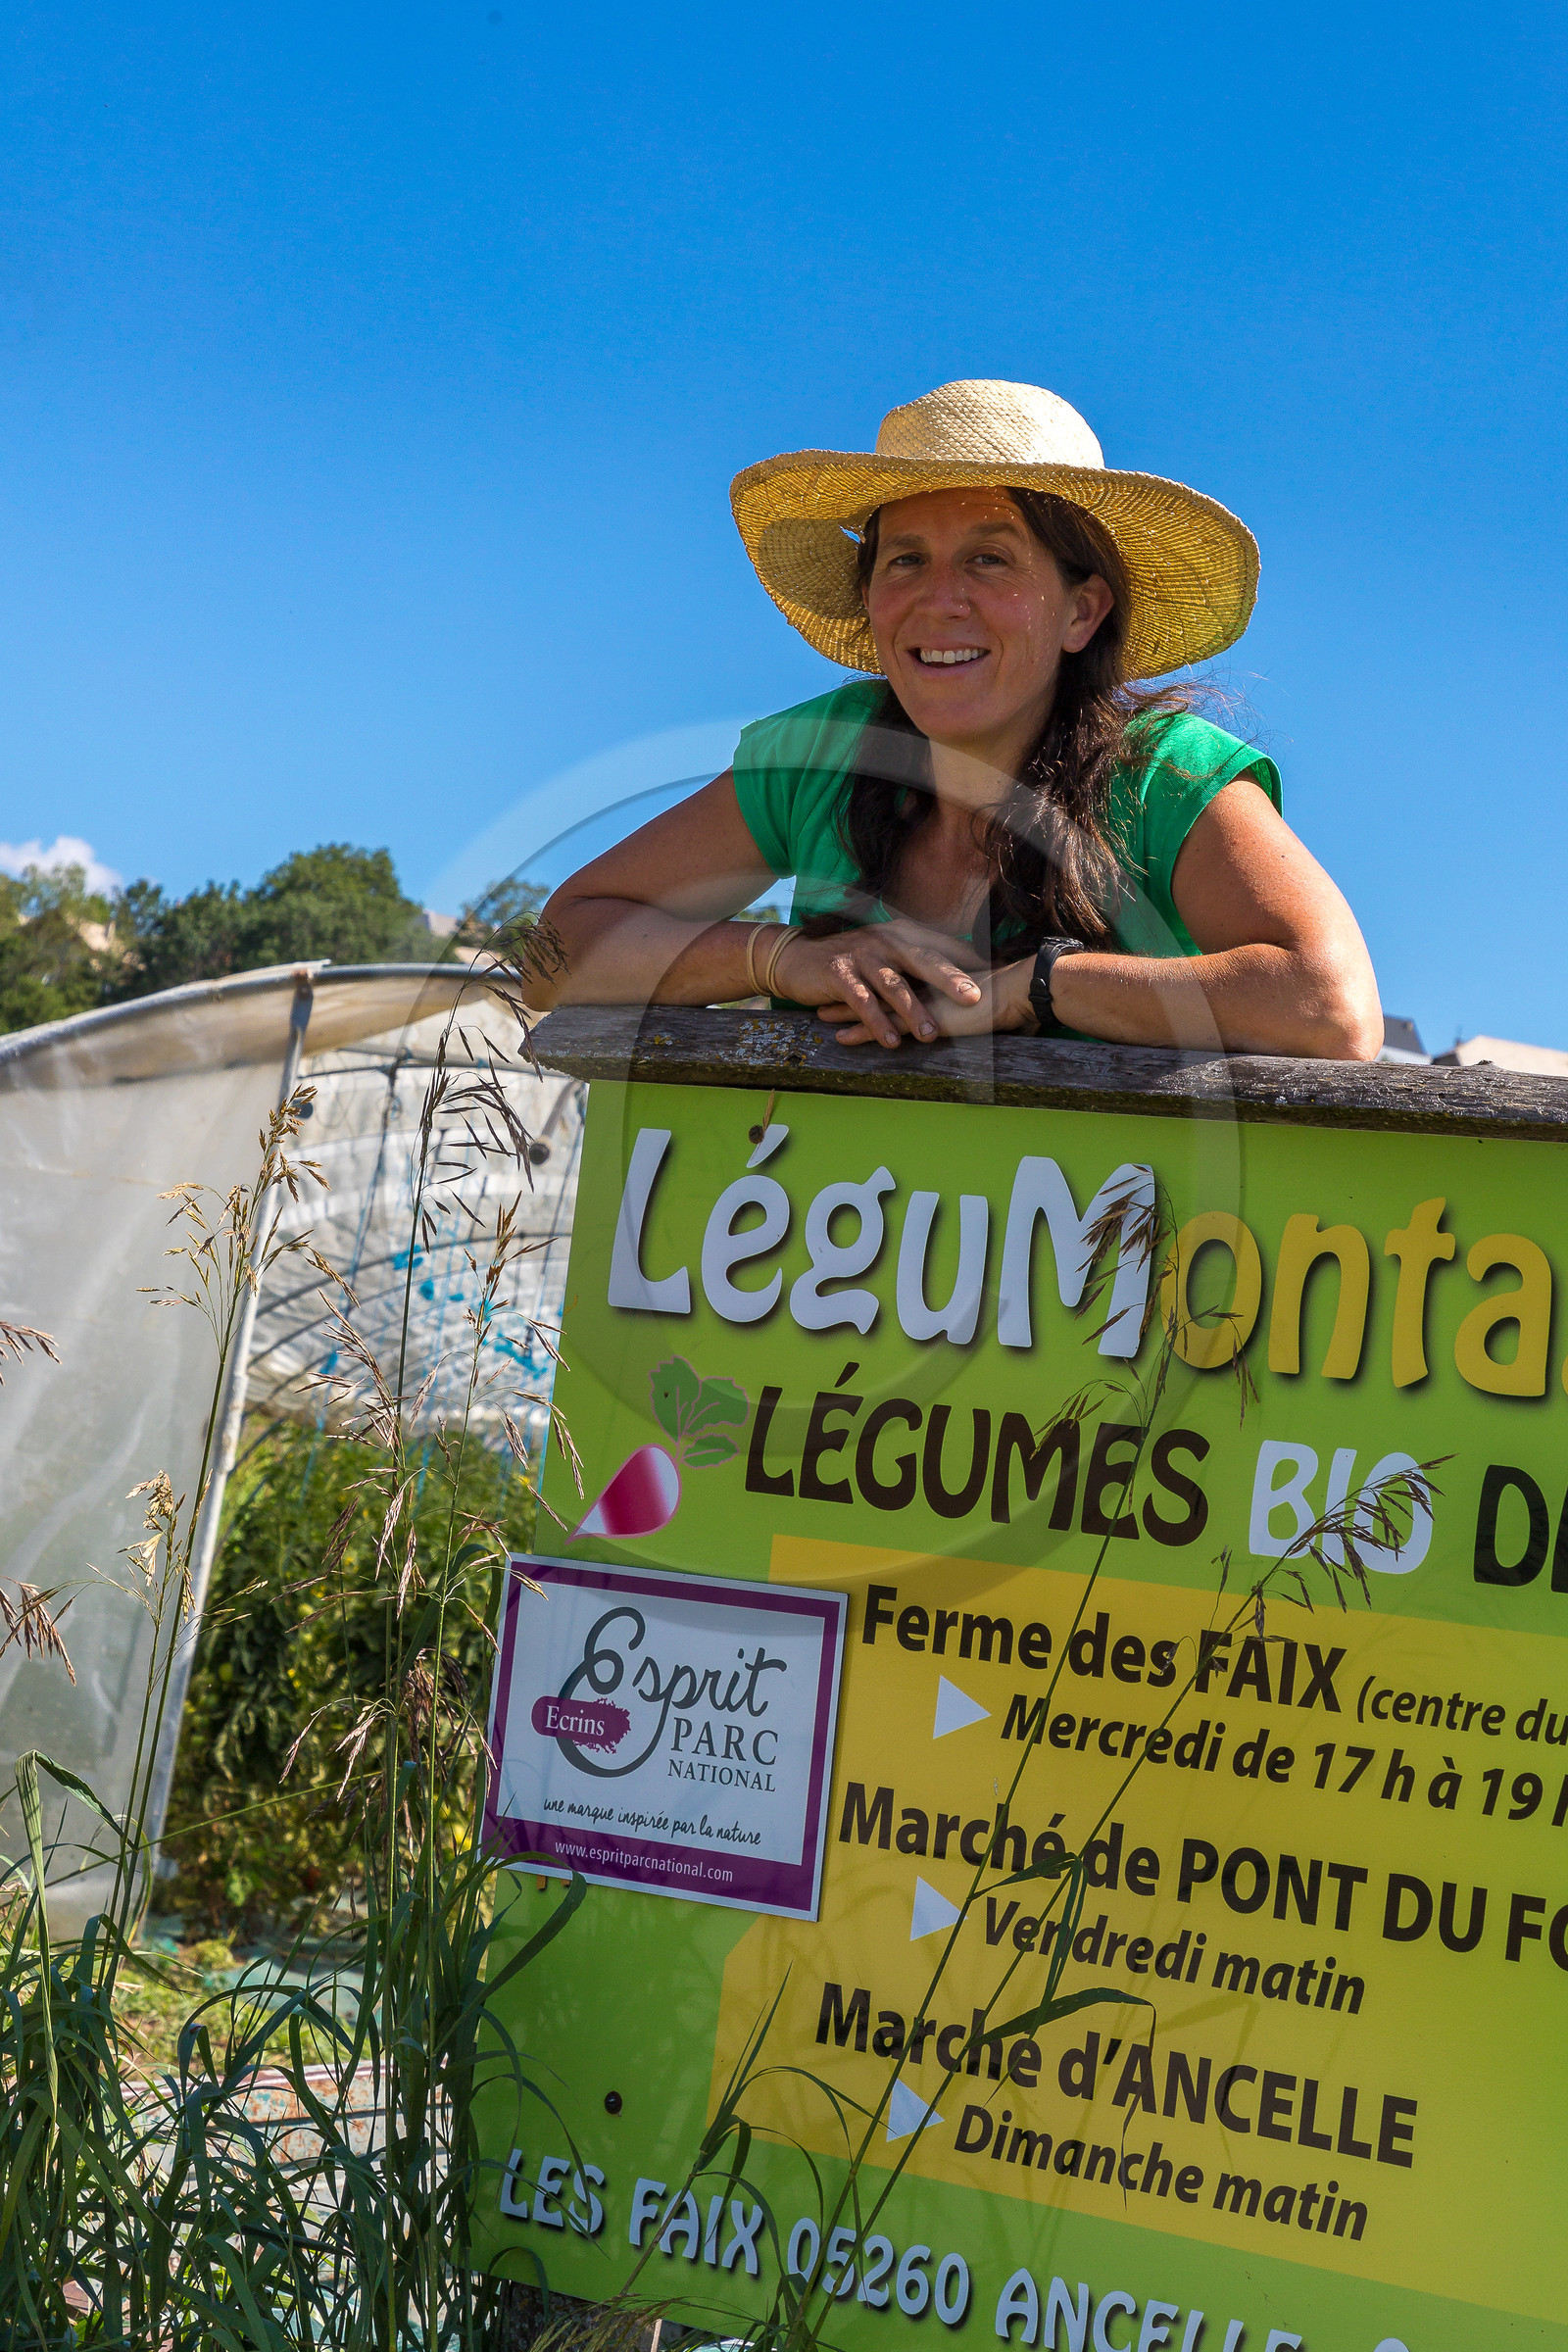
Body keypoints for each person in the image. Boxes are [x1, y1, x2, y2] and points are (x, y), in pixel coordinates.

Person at [533, 379, 1382, 1059]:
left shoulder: (1167, 773)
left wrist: (1031, 989)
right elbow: (553, 955)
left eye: (990, 559)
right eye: (906, 561)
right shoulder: (815, 756)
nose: (942, 602)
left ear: (1081, 613)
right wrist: (785, 961)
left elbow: (1330, 1008)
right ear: (869, 602)